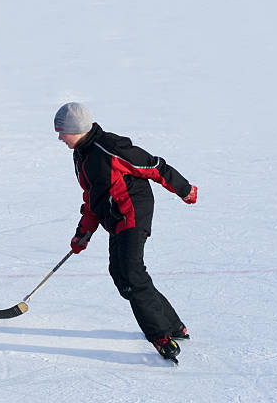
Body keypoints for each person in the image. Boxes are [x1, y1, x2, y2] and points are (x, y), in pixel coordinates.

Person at [54, 102, 197, 362]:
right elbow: (92, 197)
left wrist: (184, 189)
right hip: (115, 218)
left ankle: (160, 335)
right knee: (120, 273)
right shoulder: (81, 155)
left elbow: (154, 167)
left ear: (77, 129)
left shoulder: (109, 148)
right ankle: (174, 325)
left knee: (132, 274)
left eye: (62, 131)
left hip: (133, 212)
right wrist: (83, 234)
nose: (60, 137)